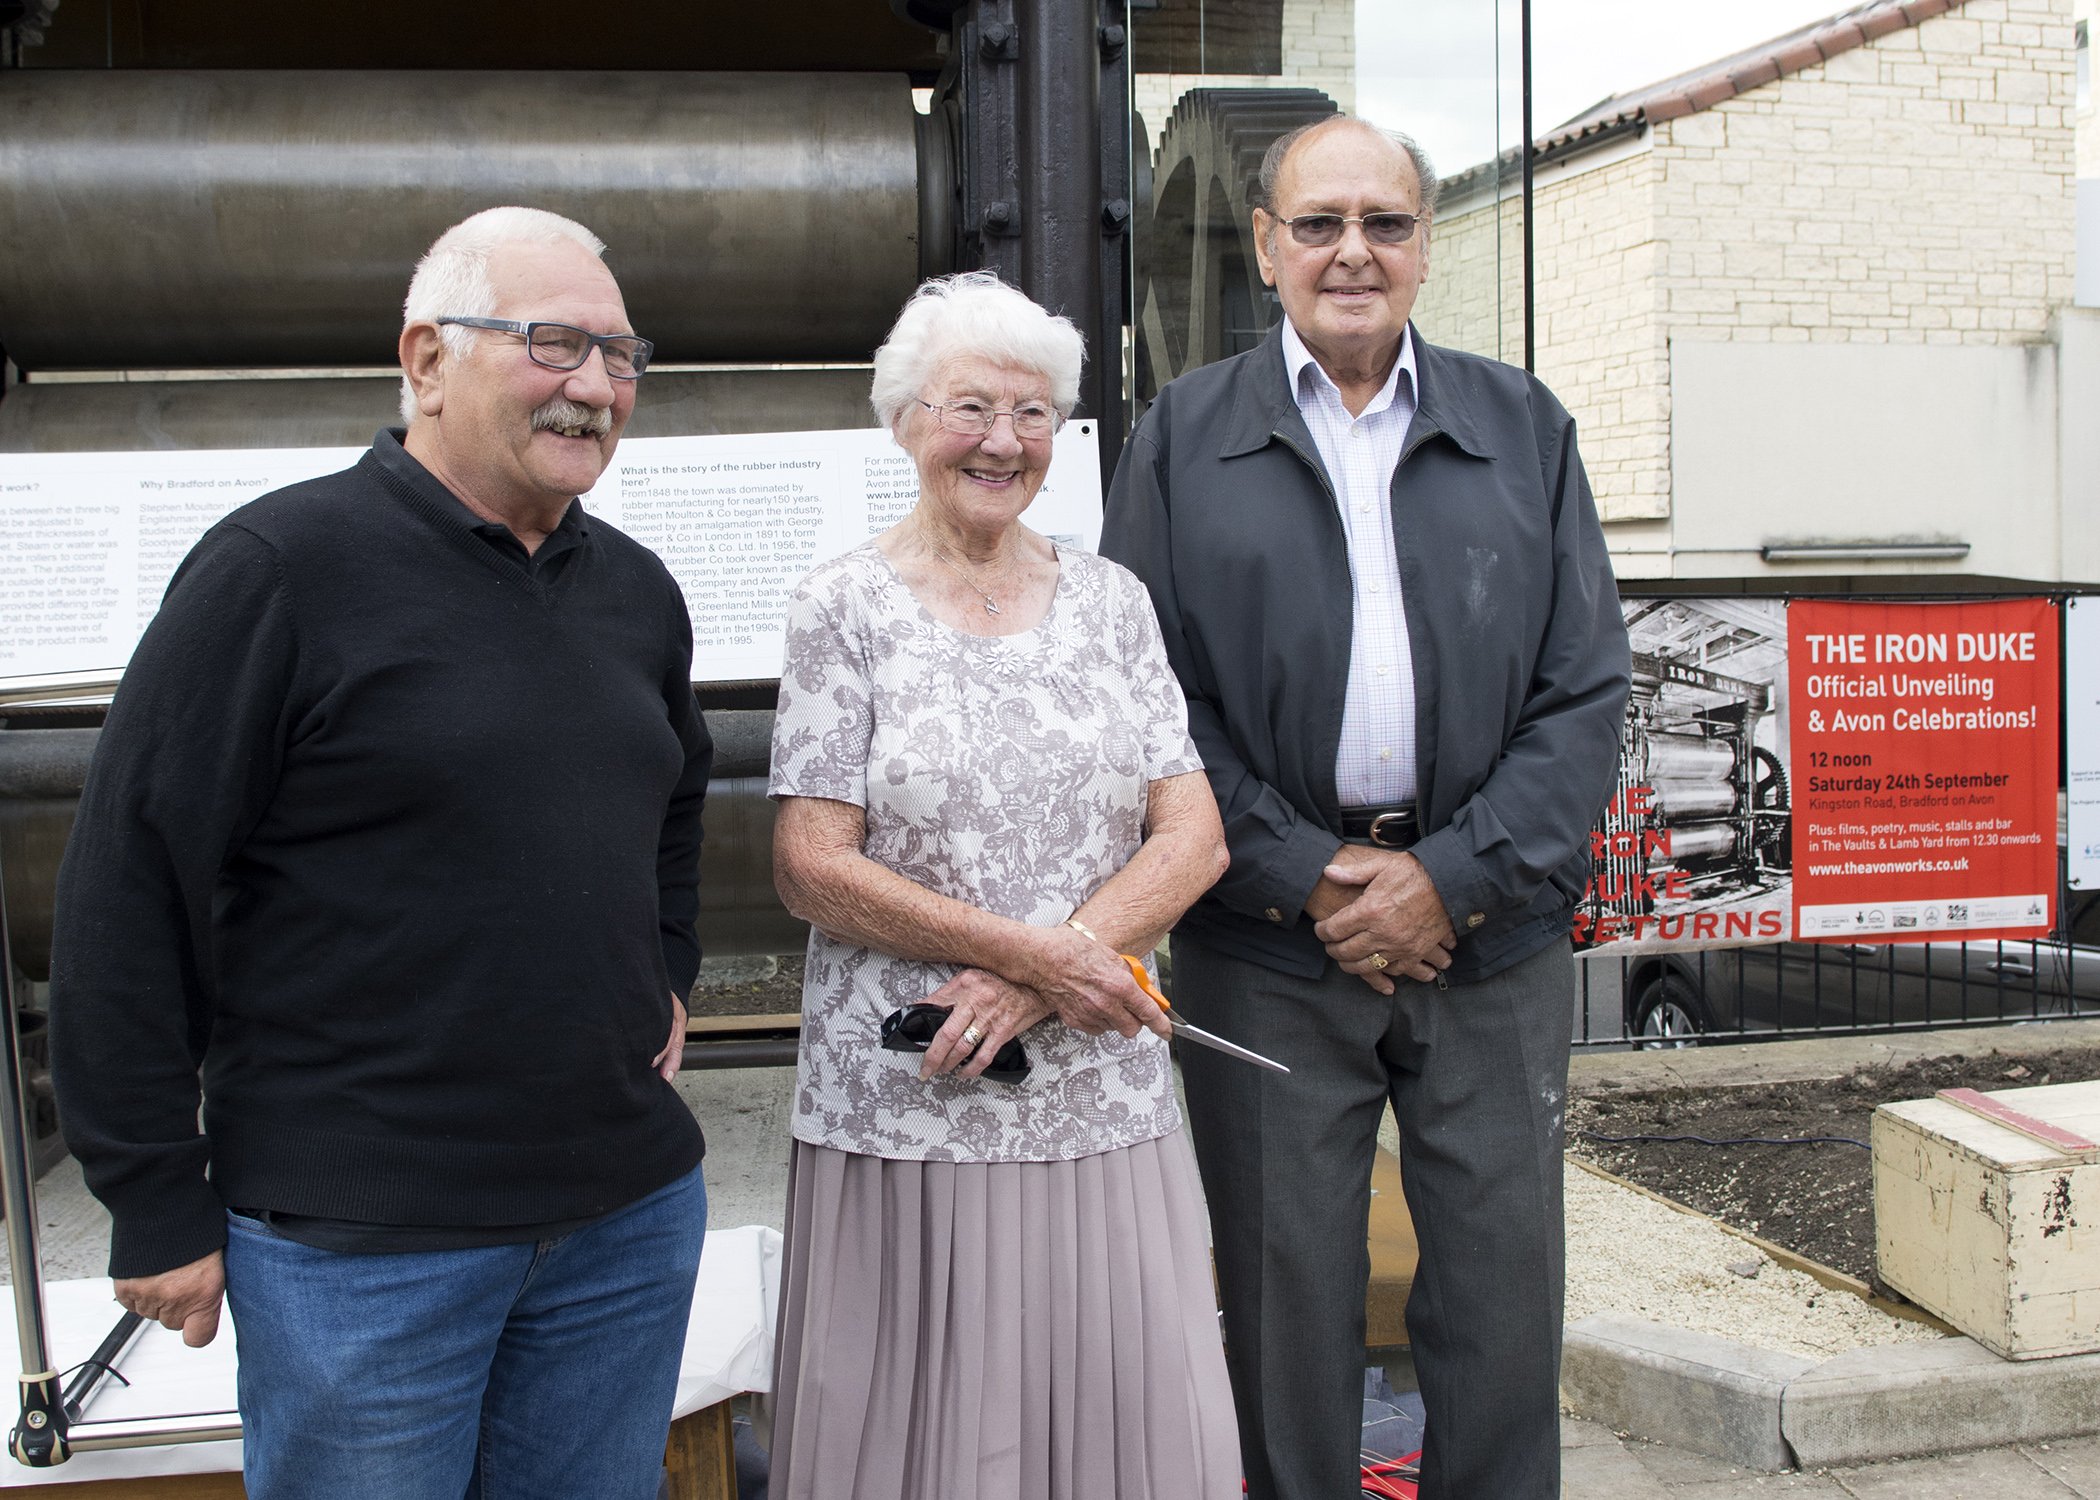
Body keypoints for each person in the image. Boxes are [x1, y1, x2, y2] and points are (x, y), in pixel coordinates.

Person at [49, 206, 713, 1500]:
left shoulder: (636, 593)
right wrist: (151, 1195)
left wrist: (668, 968)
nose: (595, 387)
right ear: (425, 359)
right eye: (554, 344)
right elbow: (126, 885)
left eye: (622, 355)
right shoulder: (277, 572)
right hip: (362, 1250)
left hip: (622, 1224)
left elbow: (677, 804)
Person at [1100, 116, 1633, 1500]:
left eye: (1384, 223)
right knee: (1281, 1315)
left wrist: (1446, 880)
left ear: (1425, 246)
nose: (1353, 252)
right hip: (1273, 947)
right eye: (1320, 223)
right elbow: (1147, 697)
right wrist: (1309, 876)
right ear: (1267, 247)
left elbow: (1583, 695)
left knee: (1504, 1308)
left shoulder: (1524, 428)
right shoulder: (1181, 437)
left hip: (1490, 944)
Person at [764, 271, 1240, 1500]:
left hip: (1095, 1081)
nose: (1002, 441)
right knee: (923, 1423)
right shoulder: (842, 607)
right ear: (907, 419)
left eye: (1033, 415)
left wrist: (1060, 960)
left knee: (1121, 1395)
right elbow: (812, 867)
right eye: (971, 408)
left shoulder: (1112, 603)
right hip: (907, 1091)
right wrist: (1037, 957)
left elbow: (1192, 835)